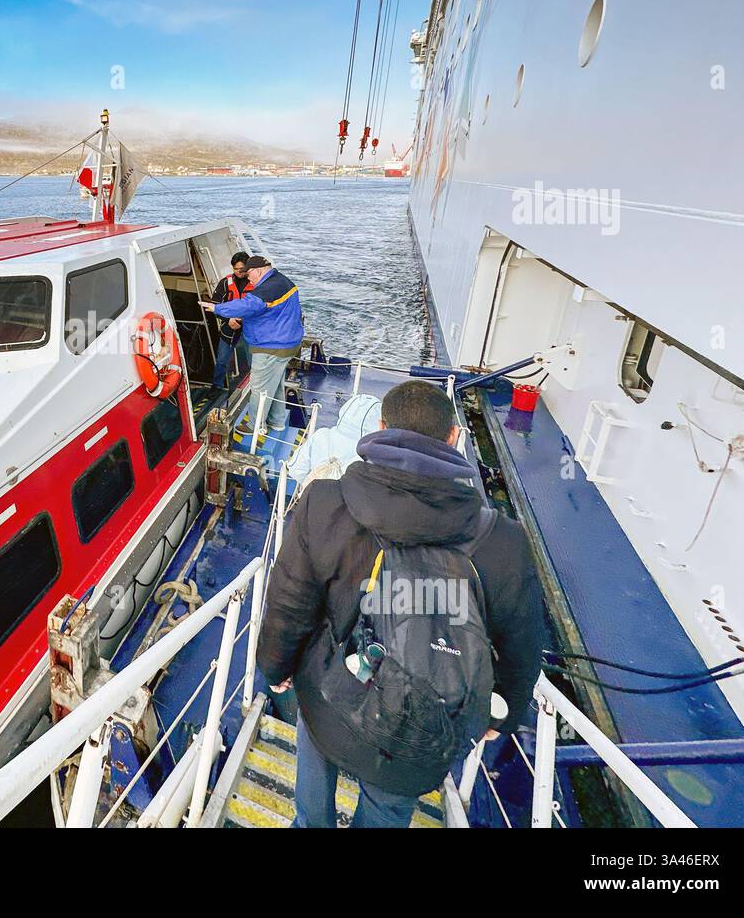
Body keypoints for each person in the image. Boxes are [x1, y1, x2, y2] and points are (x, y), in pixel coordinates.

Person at [256, 379, 546, 828]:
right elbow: (520, 643)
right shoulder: (504, 542)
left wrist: (276, 667)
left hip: (329, 695)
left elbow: (290, 602)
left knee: (314, 791)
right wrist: (502, 711)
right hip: (421, 729)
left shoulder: (324, 503)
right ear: (454, 437)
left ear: (381, 426)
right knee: (387, 810)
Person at [199, 255, 302, 439]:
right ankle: (277, 422)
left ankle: (255, 425)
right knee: (276, 383)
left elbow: (248, 305)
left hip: (271, 346)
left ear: (259, 270)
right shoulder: (282, 281)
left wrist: (217, 309)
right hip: (287, 343)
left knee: (259, 387)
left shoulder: (267, 289)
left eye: (249, 274)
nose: (248, 278)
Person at [209, 252, 254, 389]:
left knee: (253, 360)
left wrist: (242, 320)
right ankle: (216, 387)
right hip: (229, 327)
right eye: (236, 269)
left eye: (242, 269)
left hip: (250, 328)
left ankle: (255, 387)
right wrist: (228, 319)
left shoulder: (256, 283)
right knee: (222, 359)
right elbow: (214, 306)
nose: (239, 272)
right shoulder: (225, 283)